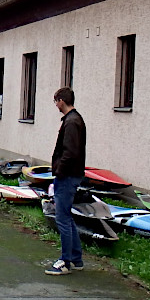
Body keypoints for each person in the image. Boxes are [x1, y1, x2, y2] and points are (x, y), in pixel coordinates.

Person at [45, 87, 87, 276]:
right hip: (71, 174)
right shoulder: (74, 119)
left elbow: (69, 152)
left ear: (61, 101)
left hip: (67, 176)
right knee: (67, 217)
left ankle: (65, 262)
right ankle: (76, 259)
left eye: (56, 101)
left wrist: (59, 172)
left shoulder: (71, 122)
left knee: (62, 218)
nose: (56, 105)